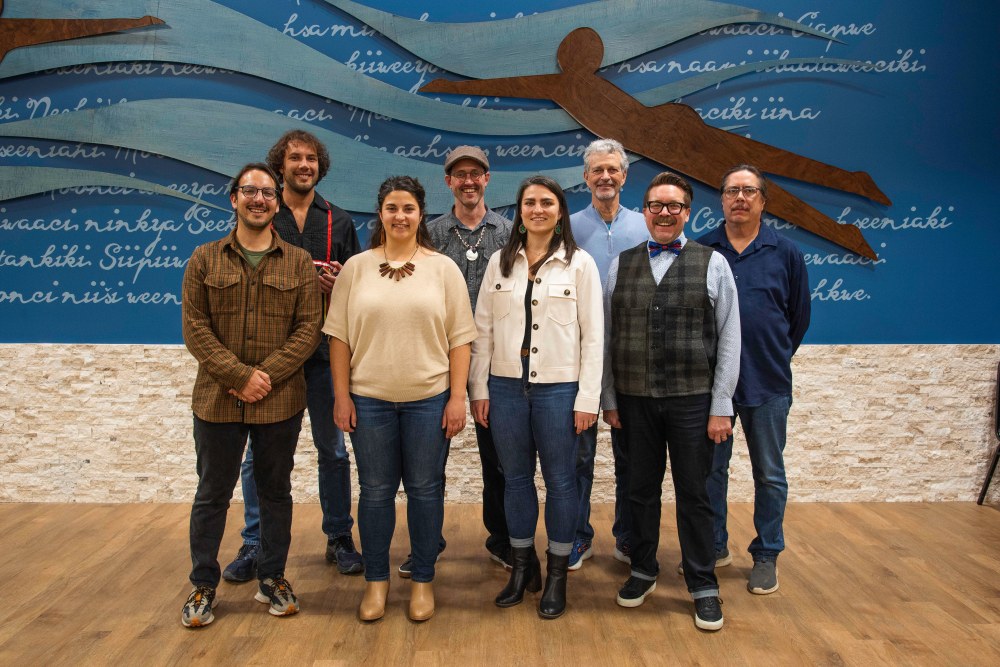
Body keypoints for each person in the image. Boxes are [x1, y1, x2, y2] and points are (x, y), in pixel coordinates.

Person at [325, 175, 477, 623]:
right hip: (368, 400)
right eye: (392, 208)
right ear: (381, 213)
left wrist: (457, 399)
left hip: (429, 400)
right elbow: (339, 339)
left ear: (420, 215)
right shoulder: (356, 268)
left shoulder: (442, 268)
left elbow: (461, 341)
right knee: (374, 493)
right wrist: (341, 396)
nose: (400, 216)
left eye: (408, 208)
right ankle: (376, 582)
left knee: (426, 492)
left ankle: (424, 580)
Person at [180, 162, 321, 627]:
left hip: (279, 401)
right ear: (234, 199)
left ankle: (272, 577)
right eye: (249, 191)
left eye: (266, 193)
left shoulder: (299, 262)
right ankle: (203, 584)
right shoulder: (204, 258)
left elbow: (308, 330)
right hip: (217, 401)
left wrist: (265, 376)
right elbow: (195, 329)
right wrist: (239, 375)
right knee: (212, 493)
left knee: (275, 492)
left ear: (277, 204)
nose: (258, 199)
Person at [223, 130, 363, 582]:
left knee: (333, 451)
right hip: (273, 358)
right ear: (279, 166)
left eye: (311, 159)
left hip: (325, 354)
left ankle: (339, 535)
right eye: (294, 158)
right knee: (256, 457)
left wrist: (341, 282)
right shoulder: (262, 214)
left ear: (320, 166)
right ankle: (254, 542)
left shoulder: (338, 222)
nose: (304, 165)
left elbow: (361, 291)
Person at [603, 171, 740, 631]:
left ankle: (703, 583)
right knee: (638, 490)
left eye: (674, 206)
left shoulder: (714, 263)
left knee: (695, 494)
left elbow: (730, 338)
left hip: (693, 401)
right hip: (634, 399)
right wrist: (609, 397)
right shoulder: (620, 265)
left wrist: (722, 404)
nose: (665, 213)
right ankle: (642, 569)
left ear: (687, 213)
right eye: (656, 206)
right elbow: (606, 336)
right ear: (644, 212)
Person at [470, 175, 603, 620]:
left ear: (560, 211)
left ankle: (558, 573)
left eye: (547, 202)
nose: (538, 209)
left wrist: (588, 398)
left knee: (563, 482)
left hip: (560, 390)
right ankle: (522, 568)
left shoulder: (580, 265)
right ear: (520, 211)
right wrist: (478, 388)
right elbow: (483, 330)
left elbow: (593, 339)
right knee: (516, 480)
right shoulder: (499, 264)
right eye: (529, 202)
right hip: (505, 387)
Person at [697, 164, 810, 595]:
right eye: (731, 191)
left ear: (763, 200)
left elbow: (798, 319)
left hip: (768, 384)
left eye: (749, 191)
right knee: (711, 473)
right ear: (721, 199)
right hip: (713, 389)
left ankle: (766, 554)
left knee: (770, 474)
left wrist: (772, 355)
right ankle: (714, 545)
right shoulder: (703, 249)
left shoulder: (786, 252)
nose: (739, 198)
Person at [412, 145, 514, 577]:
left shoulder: (511, 233)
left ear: (487, 179)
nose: (469, 181)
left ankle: (504, 538)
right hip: (438, 361)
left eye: (476, 174)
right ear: (448, 181)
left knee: (502, 458)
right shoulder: (428, 234)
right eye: (460, 175)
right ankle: (426, 543)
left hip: (497, 362)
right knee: (429, 461)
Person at [567, 138, 649, 571]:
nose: (605, 177)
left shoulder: (645, 226)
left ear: (624, 176)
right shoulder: (568, 226)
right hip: (578, 358)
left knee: (631, 455)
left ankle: (627, 535)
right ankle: (578, 537)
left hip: (631, 357)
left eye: (612, 170)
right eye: (597, 170)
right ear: (586, 177)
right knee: (579, 454)